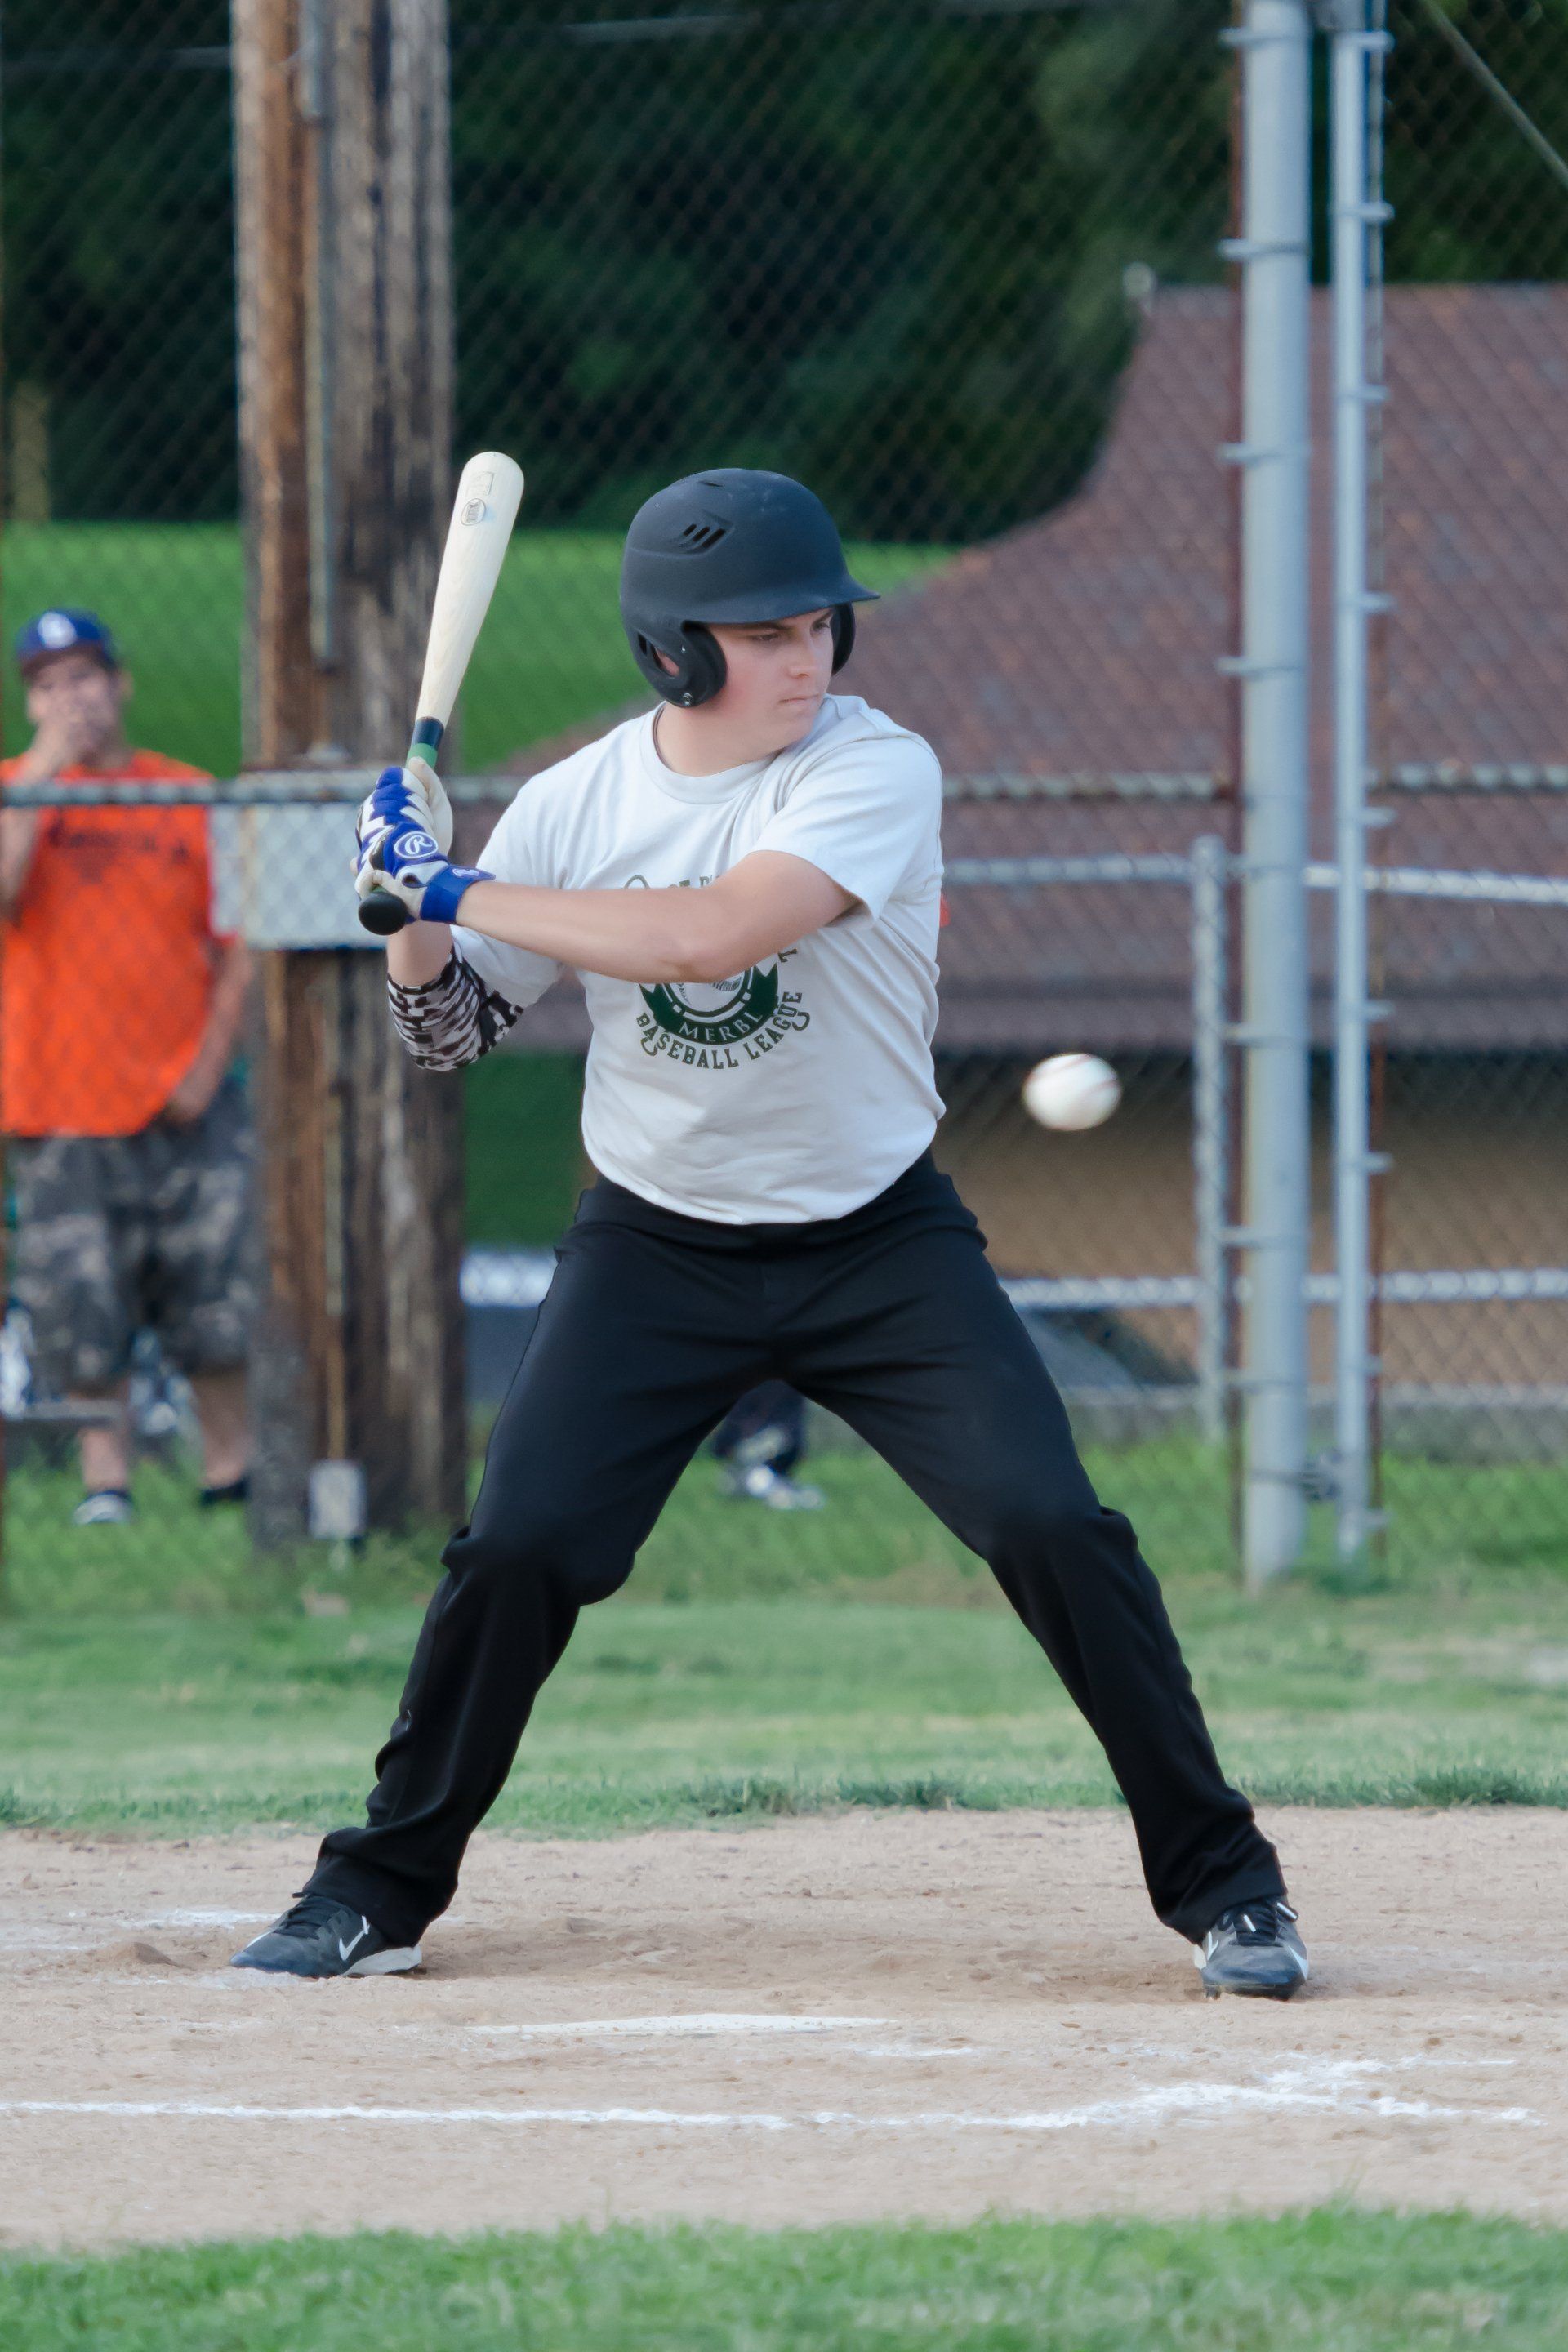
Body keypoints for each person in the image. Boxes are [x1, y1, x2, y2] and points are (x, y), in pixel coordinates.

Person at [235, 470, 1307, 1999]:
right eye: (767, 633)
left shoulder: (873, 772)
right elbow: (454, 1029)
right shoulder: (580, 803)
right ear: (676, 651)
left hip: (878, 1243)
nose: (809, 657)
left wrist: (461, 877)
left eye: (819, 626)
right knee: (518, 1548)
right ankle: (377, 1890)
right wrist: (404, 906)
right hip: (654, 1248)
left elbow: (710, 935)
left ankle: (1230, 1886)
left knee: (1056, 1528)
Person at [0, 609, 253, 1525]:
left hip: (183, 1098)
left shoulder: (184, 794)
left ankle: (230, 1474)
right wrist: (41, 770)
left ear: (121, 684)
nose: (76, 697)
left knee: (217, 1303)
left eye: (88, 678)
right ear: (32, 699)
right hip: (59, 1104)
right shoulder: (15, 791)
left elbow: (241, 944)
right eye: (53, 683)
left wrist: (208, 1065)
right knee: (81, 1311)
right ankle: (107, 1486)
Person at [711, 1380, 822, 1509]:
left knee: (759, 1474)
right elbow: (725, 1441)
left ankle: (781, 1490)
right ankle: (781, 1491)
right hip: (745, 1456)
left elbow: (793, 1434)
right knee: (751, 1478)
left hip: (773, 1454)